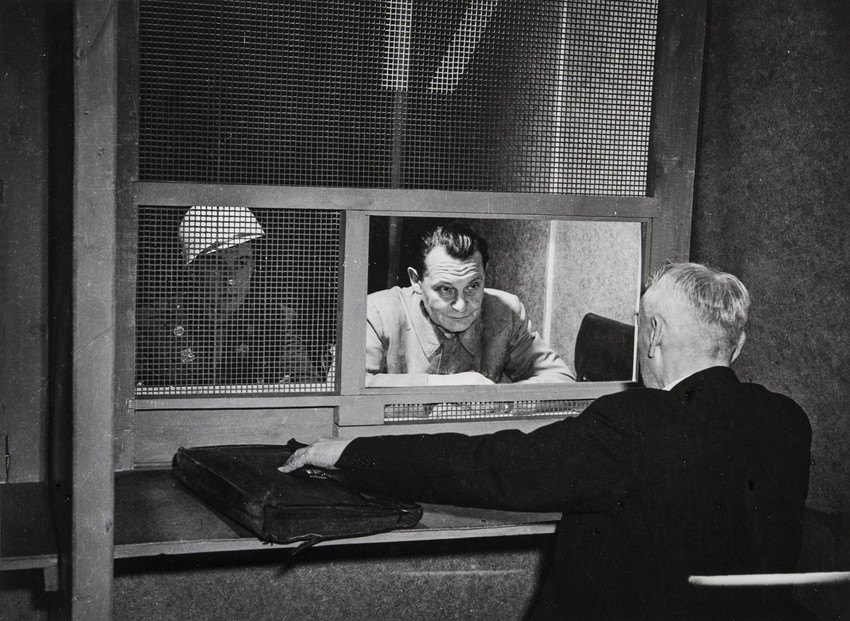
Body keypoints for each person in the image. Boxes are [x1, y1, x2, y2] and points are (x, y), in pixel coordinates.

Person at [281, 262, 813, 620]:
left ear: (651, 337)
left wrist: (351, 452)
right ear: (736, 343)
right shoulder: (788, 420)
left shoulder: (636, 422)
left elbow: (494, 466)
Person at [365, 222, 575, 386]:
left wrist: (497, 400)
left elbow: (560, 379)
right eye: (445, 289)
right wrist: (447, 387)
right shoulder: (378, 312)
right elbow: (348, 387)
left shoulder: (505, 311)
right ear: (416, 280)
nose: (461, 306)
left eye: (473, 286)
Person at [136, 205, 325, 387]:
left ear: (252, 266)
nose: (231, 280)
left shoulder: (275, 319)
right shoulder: (155, 322)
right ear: (194, 270)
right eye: (218, 266)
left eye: (241, 264)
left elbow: (307, 383)